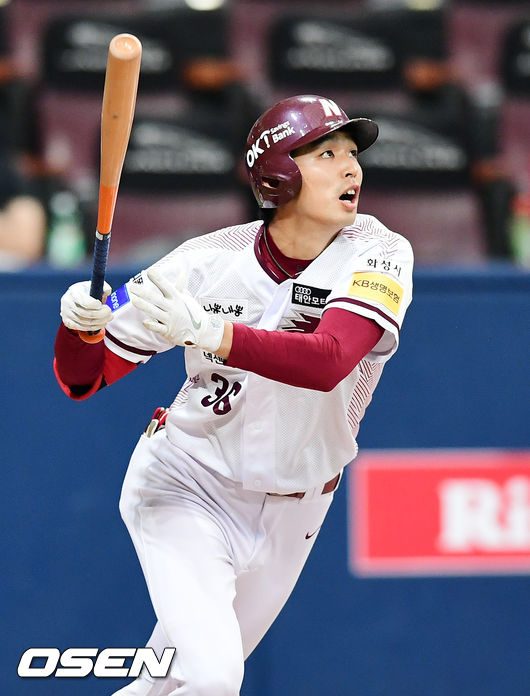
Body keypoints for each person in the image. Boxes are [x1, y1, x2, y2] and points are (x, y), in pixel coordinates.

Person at [54, 94, 414, 696]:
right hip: (189, 485)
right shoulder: (202, 262)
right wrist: (79, 326)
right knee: (212, 679)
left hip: (299, 507)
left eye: (352, 153)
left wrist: (209, 333)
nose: (351, 168)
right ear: (277, 173)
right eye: (326, 154)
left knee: (167, 688)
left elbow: (329, 360)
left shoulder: (380, 251)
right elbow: (82, 378)